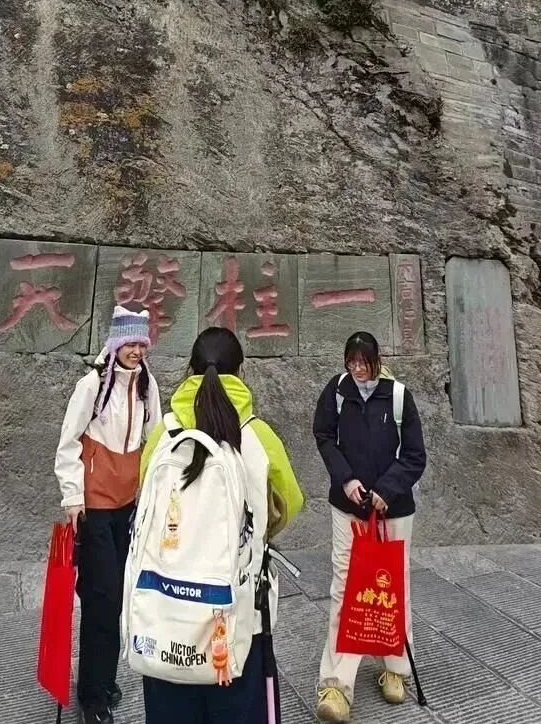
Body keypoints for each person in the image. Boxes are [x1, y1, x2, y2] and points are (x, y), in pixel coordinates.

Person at [139, 325, 304, 724]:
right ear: (240, 372)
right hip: (236, 617)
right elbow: (290, 503)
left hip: (166, 615)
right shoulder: (257, 435)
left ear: (190, 371)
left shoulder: (164, 432)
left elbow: (143, 497)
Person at [54, 306, 162, 724]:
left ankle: (103, 678)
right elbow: (68, 443)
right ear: (115, 344)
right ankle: (92, 696)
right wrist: (72, 497)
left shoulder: (147, 383)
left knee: (119, 596)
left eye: (141, 343)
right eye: (129, 343)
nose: (136, 351)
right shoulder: (91, 384)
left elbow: (155, 437)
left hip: (128, 505)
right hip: (95, 506)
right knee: (101, 599)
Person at [313, 331, 426, 723]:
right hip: (348, 507)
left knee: (393, 586)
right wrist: (346, 479)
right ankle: (336, 683)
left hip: (393, 510)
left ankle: (395, 668)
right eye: (352, 361)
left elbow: (415, 456)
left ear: (378, 360)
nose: (358, 369)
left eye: (364, 362)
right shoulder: (337, 391)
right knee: (345, 585)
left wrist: (386, 490)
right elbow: (324, 436)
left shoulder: (398, 396)